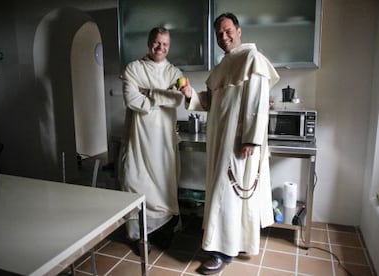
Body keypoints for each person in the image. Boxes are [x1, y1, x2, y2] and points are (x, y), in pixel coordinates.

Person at [180, 13, 280, 274]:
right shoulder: (223, 65)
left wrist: (251, 140)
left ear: (238, 31)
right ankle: (229, 246)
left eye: (227, 31)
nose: (223, 37)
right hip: (219, 142)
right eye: (219, 34)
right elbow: (212, 102)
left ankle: (220, 253)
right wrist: (190, 94)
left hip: (237, 143)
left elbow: (258, 105)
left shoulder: (252, 59)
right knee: (225, 196)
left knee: (227, 196)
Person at [118, 26, 189, 254]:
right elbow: (131, 100)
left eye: (165, 44)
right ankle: (139, 236)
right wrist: (161, 94)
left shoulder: (173, 71)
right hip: (138, 138)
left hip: (163, 141)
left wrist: (148, 92)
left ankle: (163, 233)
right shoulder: (133, 68)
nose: (161, 47)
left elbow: (177, 99)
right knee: (134, 180)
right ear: (149, 43)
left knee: (164, 186)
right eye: (157, 42)